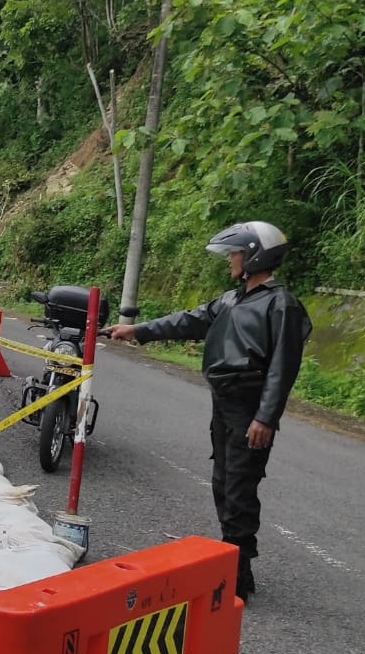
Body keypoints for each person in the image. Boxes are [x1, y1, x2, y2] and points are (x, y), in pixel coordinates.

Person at [101, 221, 312, 600]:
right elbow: (190, 320)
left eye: (236, 253)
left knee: (239, 487)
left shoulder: (281, 305)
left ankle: (238, 576)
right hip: (224, 404)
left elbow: (283, 367)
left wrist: (265, 417)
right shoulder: (232, 299)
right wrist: (139, 331)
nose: (231, 260)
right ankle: (230, 558)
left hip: (250, 407)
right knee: (222, 483)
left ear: (254, 255)